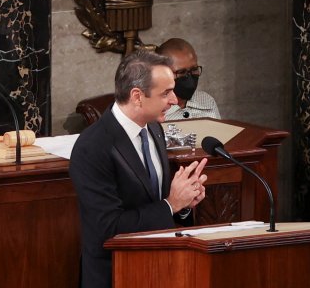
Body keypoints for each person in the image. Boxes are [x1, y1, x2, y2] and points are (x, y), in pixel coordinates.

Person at [69, 50, 208, 288]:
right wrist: (171, 204)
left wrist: (184, 204)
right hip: (115, 276)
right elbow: (108, 229)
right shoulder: (92, 146)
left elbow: (158, 204)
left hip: (158, 270)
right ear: (137, 96)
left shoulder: (154, 129)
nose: (175, 100)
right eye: (166, 93)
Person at [156, 37, 221, 120]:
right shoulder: (155, 112)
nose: (189, 77)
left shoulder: (207, 101)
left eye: (194, 70)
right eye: (182, 72)